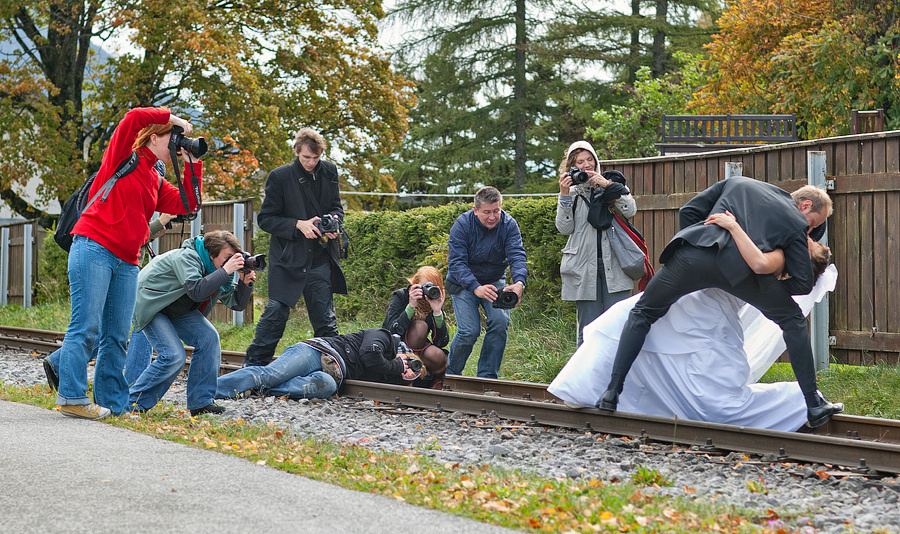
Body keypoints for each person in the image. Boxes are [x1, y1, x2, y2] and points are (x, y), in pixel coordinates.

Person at [550, 213, 836, 431]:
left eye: (812, 243)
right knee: (627, 321)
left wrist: (732, 226)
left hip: (707, 303)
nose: (808, 238)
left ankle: (799, 400)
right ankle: (590, 389)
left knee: (709, 391)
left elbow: (756, 263)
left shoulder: (778, 256)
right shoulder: (784, 244)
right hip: (697, 296)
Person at [51, 107, 201, 420]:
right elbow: (133, 117)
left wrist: (192, 164)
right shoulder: (123, 156)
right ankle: (72, 398)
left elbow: (187, 204)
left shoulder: (155, 178)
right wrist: (173, 119)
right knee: (86, 327)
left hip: (128, 260)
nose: (177, 144)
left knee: (117, 337)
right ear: (154, 137)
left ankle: (112, 405)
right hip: (94, 247)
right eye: (173, 138)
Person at [242, 128, 347, 368]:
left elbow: (336, 208)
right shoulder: (280, 176)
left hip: (319, 257)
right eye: (307, 157)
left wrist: (334, 222)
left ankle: (334, 370)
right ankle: (252, 368)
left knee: (326, 323)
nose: (311, 163)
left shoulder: (329, 171)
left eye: (316, 158)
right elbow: (265, 219)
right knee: (275, 315)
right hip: (287, 259)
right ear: (296, 151)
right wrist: (298, 225)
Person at [127, 230, 255, 415]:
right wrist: (225, 271)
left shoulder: (218, 271)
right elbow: (196, 290)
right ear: (211, 254)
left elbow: (236, 304)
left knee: (209, 339)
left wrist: (245, 283)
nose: (231, 262)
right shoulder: (187, 257)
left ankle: (201, 403)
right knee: (173, 356)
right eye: (227, 257)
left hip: (176, 308)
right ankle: (133, 404)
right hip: (152, 305)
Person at [556, 141, 638, 346]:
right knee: (588, 329)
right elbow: (564, 228)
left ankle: (618, 366)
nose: (586, 165)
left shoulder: (612, 184)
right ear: (571, 166)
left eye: (589, 159)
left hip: (615, 264)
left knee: (618, 325)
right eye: (580, 162)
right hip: (582, 267)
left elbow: (630, 210)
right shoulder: (571, 193)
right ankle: (585, 367)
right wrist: (564, 195)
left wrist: (608, 186)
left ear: (596, 160)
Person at [216, 328, 443, 400]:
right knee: (271, 374)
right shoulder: (383, 337)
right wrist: (397, 366)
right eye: (409, 363)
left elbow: (383, 385)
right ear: (404, 354)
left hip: (333, 374)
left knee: (326, 387)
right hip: (318, 351)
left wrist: (401, 378)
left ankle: (259, 391)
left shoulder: (386, 373)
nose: (406, 368)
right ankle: (211, 390)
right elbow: (369, 354)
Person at [445, 186, 528, 379]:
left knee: (500, 322)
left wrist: (519, 282)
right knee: (469, 331)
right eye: (487, 212)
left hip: (494, 281)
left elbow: (517, 255)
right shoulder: (462, 225)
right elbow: (456, 263)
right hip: (463, 283)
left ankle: (487, 377)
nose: (492, 217)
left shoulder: (509, 225)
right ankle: (450, 375)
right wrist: (475, 287)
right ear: (475, 210)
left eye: (496, 211)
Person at [382, 266, 450, 389]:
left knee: (437, 355)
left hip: (420, 349)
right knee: (420, 326)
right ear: (415, 284)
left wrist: (437, 312)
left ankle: (436, 381)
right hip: (398, 347)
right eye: (425, 287)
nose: (428, 291)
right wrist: (411, 305)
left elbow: (441, 342)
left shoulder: (434, 300)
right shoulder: (402, 296)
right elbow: (390, 330)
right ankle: (408, 371)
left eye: (433, 287)